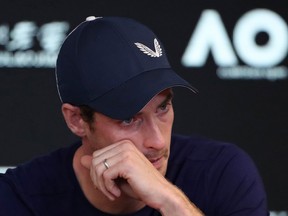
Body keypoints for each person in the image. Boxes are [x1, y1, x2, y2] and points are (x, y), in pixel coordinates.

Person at [0, 16, 269, 216]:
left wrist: (171, 203)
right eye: (129, 118)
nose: (158, 142)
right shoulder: (21, 198)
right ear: (77, 120)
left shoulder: (222, 173)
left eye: (162, 108)